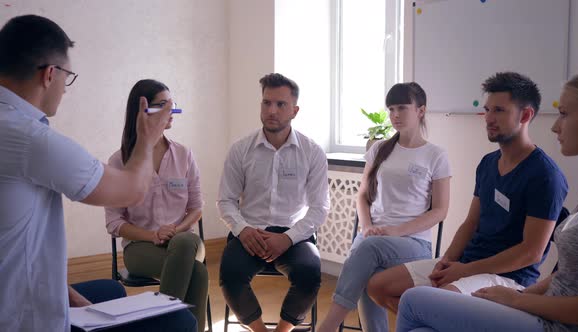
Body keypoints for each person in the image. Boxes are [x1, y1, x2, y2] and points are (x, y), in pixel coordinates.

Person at [0, 15, 195, 331]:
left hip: (21, 289)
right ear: (51, 74)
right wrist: (147, 138)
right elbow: (130, 190)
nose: (65, 89)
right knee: (180, 320)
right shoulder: (28, 138)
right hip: (25, 318)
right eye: (68, 76)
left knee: (112, 290)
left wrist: (66, 293)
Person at [395, 71, 578, 332]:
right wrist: (450, 261)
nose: (555, 126)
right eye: (487, 109)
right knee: (416, 321)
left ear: (524, 116)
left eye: (564, 114)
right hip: (533, 300)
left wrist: (517, 299)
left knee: (414, 300)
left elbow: (533, 254)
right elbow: (566, 274)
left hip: (549, 317)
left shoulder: (545, 175)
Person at [317, 82, 451, 332]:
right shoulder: (379, 149)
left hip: (414, 243)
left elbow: (440, 210)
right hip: (373, 240)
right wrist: (367, 226)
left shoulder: (436, 155)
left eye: (402, 107)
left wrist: (395, 231)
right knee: (370, 270)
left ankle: (329, 325)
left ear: (421, 110)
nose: (395, 115)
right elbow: (363, 196)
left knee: (368, 250)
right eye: (391, 109)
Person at [217, 73, 330, 332]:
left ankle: (283, 330)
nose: (272, 110)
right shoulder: (240, 149)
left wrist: (288, 238)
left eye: (280, 104)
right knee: (230, 274)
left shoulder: (312, 152)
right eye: (266, 103)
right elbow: (225, 200)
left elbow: (319, 208)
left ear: (295, 110)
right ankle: (260, 331)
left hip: (293, 235)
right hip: (250, 232)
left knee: (310, 274)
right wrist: (243, 230)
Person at [105, 79, 208, 332]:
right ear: (142, 111)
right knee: (198, 273)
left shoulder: (184, 154)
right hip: (141, 247)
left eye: (172, 104)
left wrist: (175, 228)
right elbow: (115, 223)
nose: (170, 111)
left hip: (185, 240)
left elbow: (196, 207)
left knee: (184, 242)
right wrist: (153, 235)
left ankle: (160, 327)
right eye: (162, 105)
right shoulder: (119, 161)